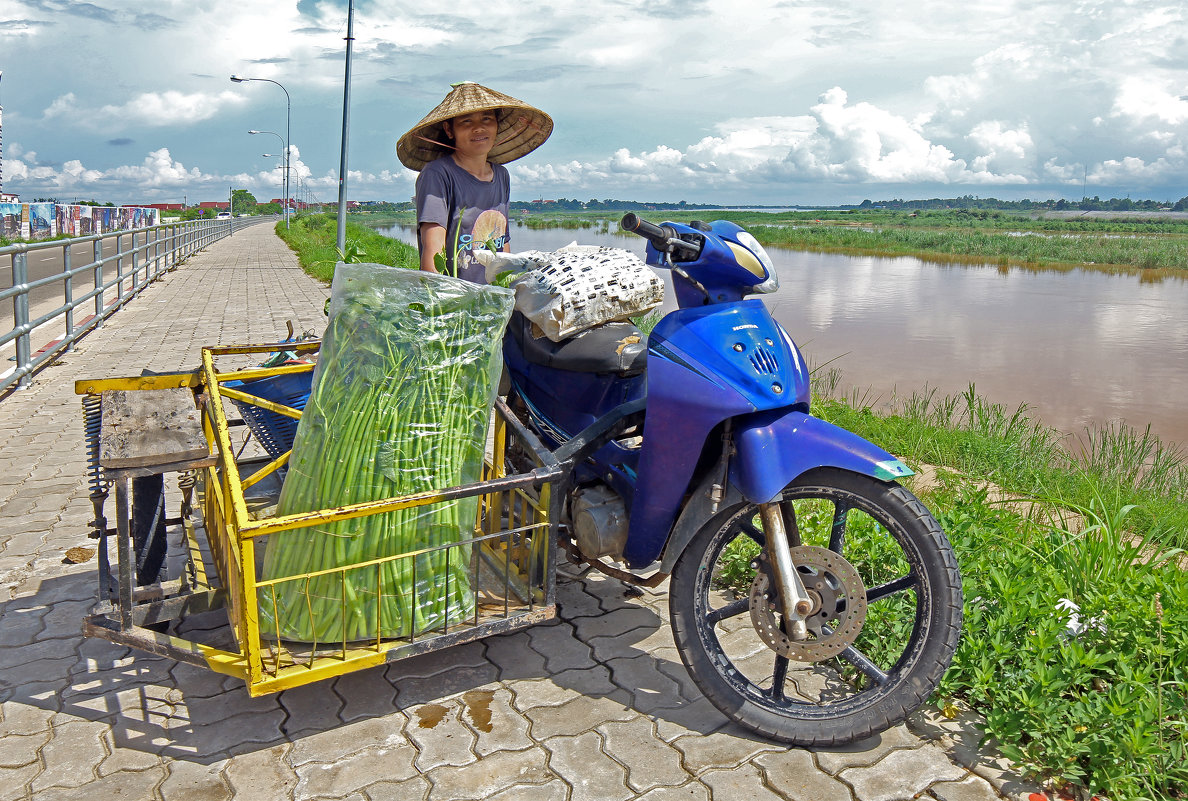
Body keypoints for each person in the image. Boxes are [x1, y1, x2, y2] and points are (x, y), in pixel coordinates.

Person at [397, 82, 553, 283]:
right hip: (456, 300)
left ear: (497, 125)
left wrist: (508, 288)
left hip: (492, 299)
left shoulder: (501, 175)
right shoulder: (438, 174)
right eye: (466, 121)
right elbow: (432, 254)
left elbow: (503, 245)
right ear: (449, 130)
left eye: (487, 119)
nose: (479, 128)